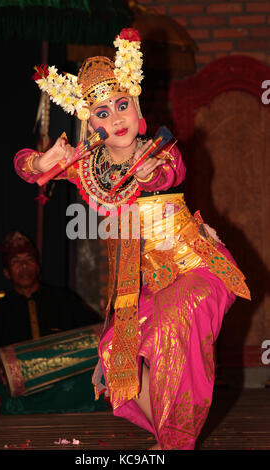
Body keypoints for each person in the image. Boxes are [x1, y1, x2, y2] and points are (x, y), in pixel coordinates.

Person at [13, 29, 250, 450]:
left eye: (122, 106)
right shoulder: (86, 167)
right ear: (90, 123)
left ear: (136, 110)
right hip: (148, 284)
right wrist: (39, 160)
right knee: (114, 355)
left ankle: (175, 443)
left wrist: (149, 174)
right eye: (102, 113)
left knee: (168, 332)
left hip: (195, 267)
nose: (115, 118)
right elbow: (22, 166)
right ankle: (170, 437)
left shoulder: (160, 151)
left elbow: (169, 173)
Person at [0, 231, 101, 373]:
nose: (24, 266)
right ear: (6, 272)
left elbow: (95, 332)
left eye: (29, 259)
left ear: (38, 266)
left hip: (63, 385)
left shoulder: (64, 300)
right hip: (20, 391)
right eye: (15, 261)